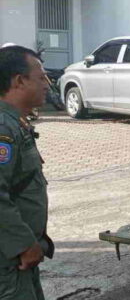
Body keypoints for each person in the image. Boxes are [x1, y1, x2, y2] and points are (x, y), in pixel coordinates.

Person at [0, 45, 53, 300]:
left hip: (19, 258)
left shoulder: (15, 123)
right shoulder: (3, 127)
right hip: (10, 260)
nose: (48, 84)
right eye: (41, 77)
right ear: (19, 81)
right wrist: (23, 244)